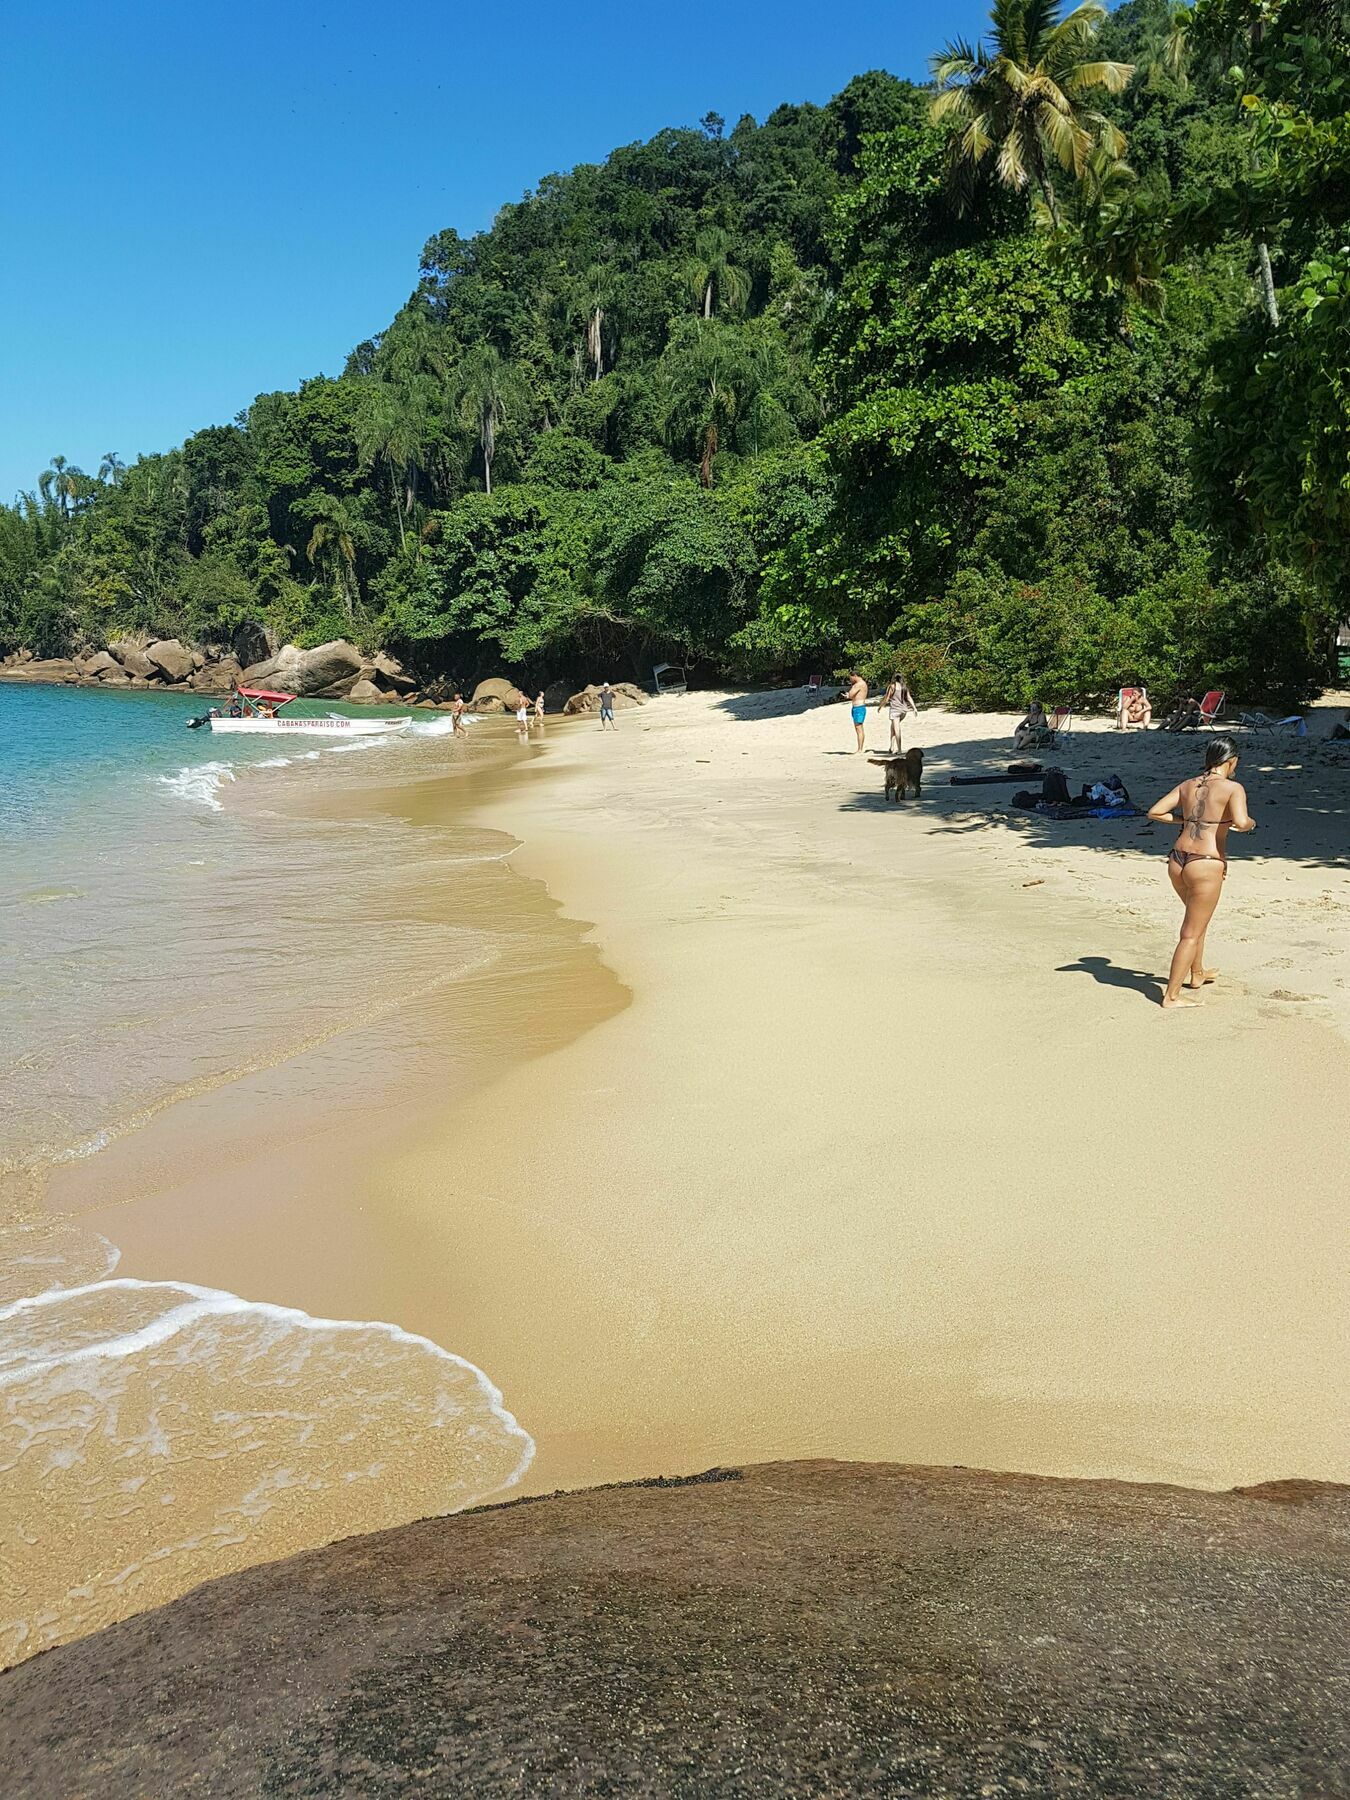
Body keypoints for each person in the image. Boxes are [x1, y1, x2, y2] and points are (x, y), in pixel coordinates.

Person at [1147, 737, 1255, 1009]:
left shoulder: (1188, 784)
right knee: (1191, 932)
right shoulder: (1232, 788)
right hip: (1205, 863)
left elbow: (1156, 812)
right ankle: (1171, 996)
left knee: (1197, 920)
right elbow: (1241, 823)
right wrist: (1250, 823)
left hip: (1178, 859)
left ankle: (1197, 973)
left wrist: (1186, 819)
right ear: (1232, 761)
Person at [880, 674, 917, 752]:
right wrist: (914, 708)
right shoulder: (904, 687)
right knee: (893, 727)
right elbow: (909, 698)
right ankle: (891, 746)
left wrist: (880, 706)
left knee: (897, 729)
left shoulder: (892, 686)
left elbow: (887, 698)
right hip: (903, 710)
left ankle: (899, 749)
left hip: (895, 710)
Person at [842, 672, 868, 751]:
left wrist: (847, 694)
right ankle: (860, 748)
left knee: (859, 729)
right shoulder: (863, 683)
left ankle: (860, 749)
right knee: (859, 728)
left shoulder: (858, 684)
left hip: (858, 707)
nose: (850, 680)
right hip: (859, 707)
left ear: (855, 676)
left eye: (851, 678)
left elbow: (851, 694)